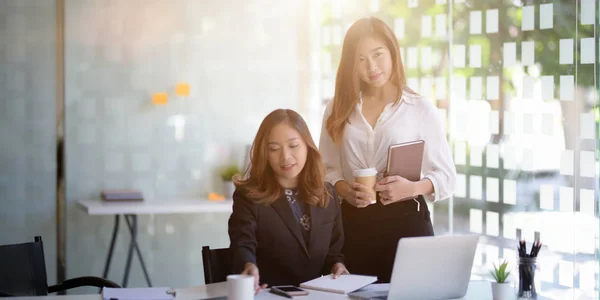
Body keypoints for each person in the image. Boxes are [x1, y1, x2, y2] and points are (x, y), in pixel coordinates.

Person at [319, 17, 456, 283]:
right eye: (361, 59)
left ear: (393, 52)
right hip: (354, 228)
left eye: (378, 54)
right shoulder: (338, 108)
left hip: (408, 227)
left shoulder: (418, 108)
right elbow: (325, 170)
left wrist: (412, 188)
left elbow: (447, 178)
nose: (372, 67)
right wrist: (346, 191)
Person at [229, 109, 349, 293]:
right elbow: (243, 243)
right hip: (270, 295)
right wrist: (248, 266)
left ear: (307, 146)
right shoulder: (249, 196)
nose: (285, 157)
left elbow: (334, 253)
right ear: (265, 153)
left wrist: (337, 266)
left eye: (293, 146)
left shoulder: (327, 193)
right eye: (274, 149)